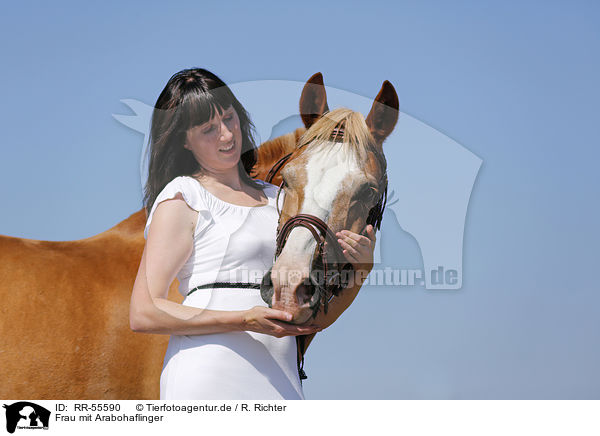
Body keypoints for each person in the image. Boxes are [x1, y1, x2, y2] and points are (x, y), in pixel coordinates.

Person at [129, 68, 376, 400]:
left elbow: (313, 319)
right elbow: (144, 311)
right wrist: (245, 318)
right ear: (183, 141)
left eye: (229, 119)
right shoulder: (184, 196)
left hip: (281, 380)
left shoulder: (281, 201)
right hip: (206, 378)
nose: (227, 135)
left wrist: (361, 270)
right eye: (208, 130)